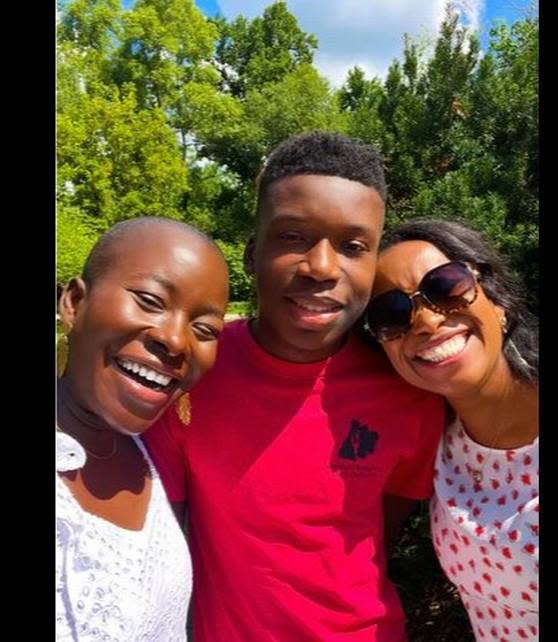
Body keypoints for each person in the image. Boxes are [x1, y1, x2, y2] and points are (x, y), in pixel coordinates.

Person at [143, 132, 445, 641]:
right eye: (292, 237)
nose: (322, 268)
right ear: (251, 256)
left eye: (353, 247)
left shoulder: (409, 391)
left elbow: (379, 533)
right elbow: (166, 546)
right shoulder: (190, 376)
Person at [364, 218, 539, 641]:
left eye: (446, 286)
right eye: (392, 313)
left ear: (496, 301)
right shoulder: (435, 446)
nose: (425, 322)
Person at [56, 217, 230, 641]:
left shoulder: (146, 453)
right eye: (150, 301)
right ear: (75, 303)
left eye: (204, 329)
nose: (176, 340)